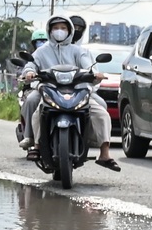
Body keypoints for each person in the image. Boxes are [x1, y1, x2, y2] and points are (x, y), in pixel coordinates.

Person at [29, 14, 120, 172]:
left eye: (63, 28)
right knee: (38, 114)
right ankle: (36, 146)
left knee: (102, 114)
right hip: (51, 92)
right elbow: (31, 65)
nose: (59, 31)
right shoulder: (41, 52)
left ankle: (105, 154)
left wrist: (94, 74)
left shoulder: (79, 51)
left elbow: (89, 67)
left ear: (69, 31)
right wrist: (29, 72)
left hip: (78, 92)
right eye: (56, 28)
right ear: (49, 31)